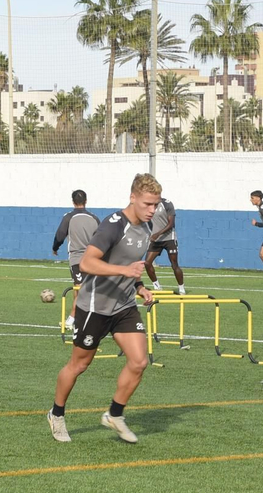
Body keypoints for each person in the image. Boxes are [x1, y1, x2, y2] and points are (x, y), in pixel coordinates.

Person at [48, 173, 161, 445]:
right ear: (132, 197)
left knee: (139, 361)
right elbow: (87, 264)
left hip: (123, 306)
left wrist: (138, 286)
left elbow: (131, 264)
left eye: (155, 205)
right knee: (79, 364)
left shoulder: (146, 230)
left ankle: (115, 414)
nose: (152, 210)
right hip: (94, 306)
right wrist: (125, 271)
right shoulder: (113, 225)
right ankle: (57, 413)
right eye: (147, 204)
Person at [51, 190, 99, 287]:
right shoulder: (94, 218)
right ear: (86, 201)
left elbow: (60, 236)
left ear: (73, 202)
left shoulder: (68, 217)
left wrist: (55, 248)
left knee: (79, 289)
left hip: (76, 259)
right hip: (92, 259)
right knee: (88, 289)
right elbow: (102, 239)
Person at [143, 191, 184, 294]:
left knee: (174, 264)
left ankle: (181, 288)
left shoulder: (167, 203)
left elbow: (171, 224)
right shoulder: (148, 205)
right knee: (147, 263)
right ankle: (157, 286)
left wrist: (158, 233)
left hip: (169, 238)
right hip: (156, 240)